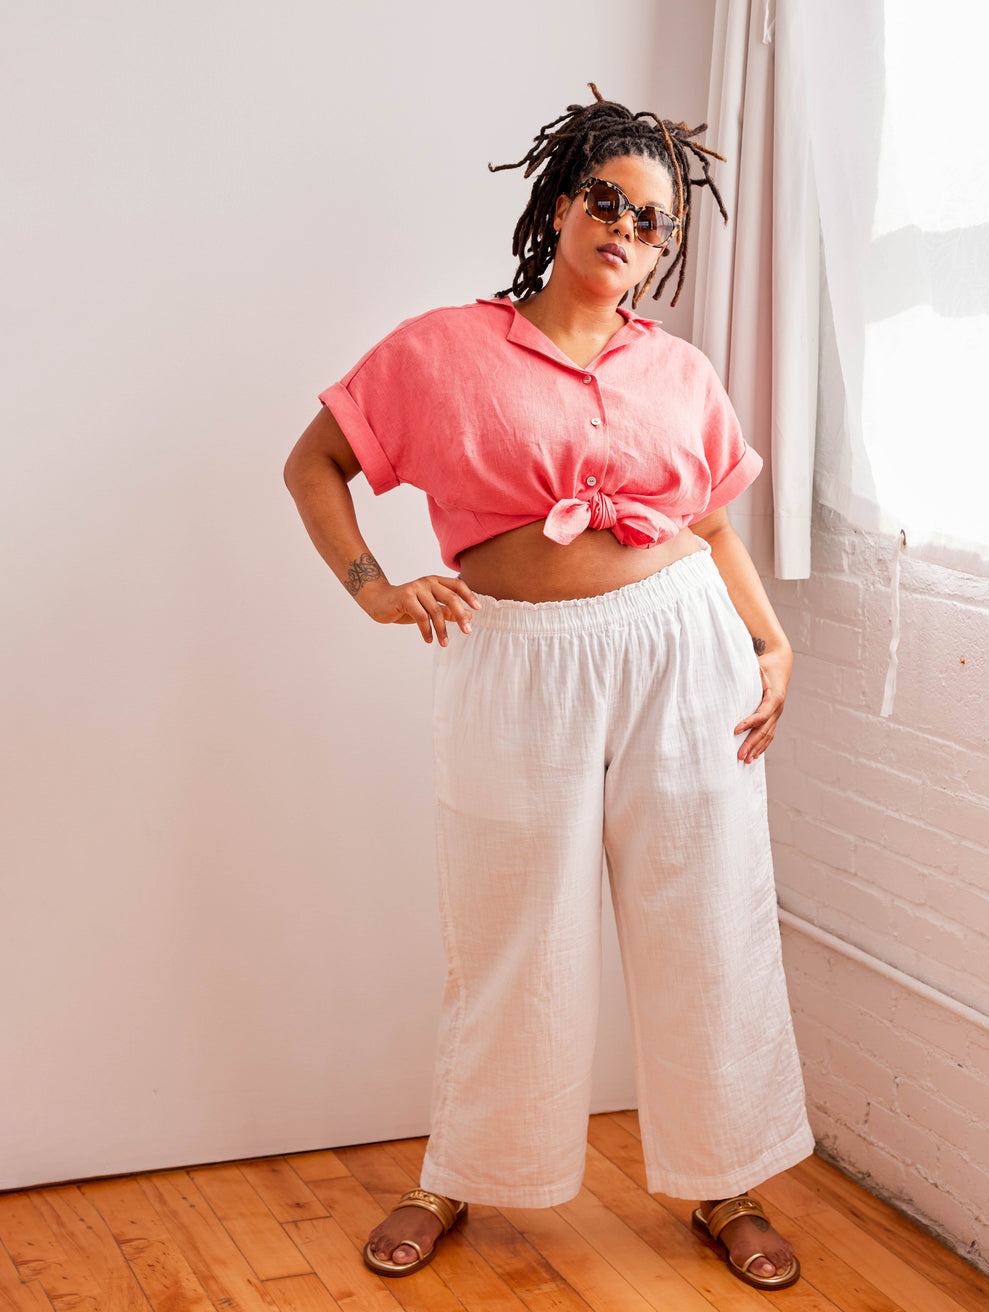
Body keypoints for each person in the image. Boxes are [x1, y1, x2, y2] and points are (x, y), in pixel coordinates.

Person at [283, 85, 814, 1293]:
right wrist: (377, 589)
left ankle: (726, 1178)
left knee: (708, 917)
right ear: (560, 204)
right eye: (609, 201)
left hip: (685, 647)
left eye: (656, 220)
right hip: (518, 658)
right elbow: (313, 463)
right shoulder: (439, 348)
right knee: (510, 922)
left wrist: (772, 645)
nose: (629, 229)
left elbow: (714, 524)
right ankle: (458, 1170)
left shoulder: (676, 370)